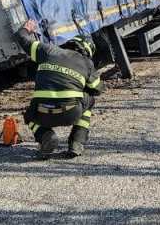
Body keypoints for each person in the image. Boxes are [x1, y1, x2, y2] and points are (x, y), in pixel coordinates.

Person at [14, 19, 104, 158]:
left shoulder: (48, 51)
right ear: (88, 51)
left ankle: (46, 136)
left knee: (29, 114)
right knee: (89, 101)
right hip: (70, 113)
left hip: (41, 114)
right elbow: (97, 89)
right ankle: (76, 142)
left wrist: (26, 29)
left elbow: (21, 38)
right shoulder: (87, 63)